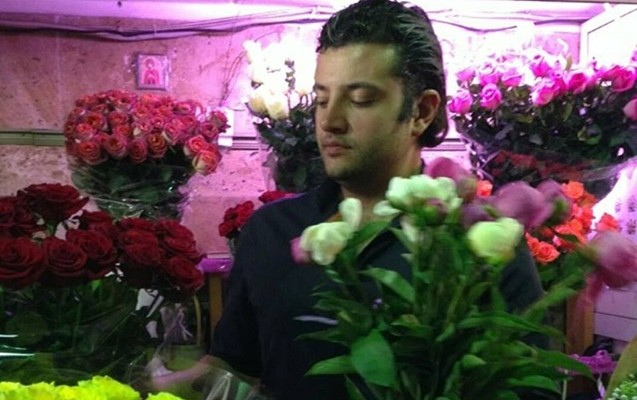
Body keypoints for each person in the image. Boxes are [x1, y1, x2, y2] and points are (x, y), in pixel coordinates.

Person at [152, 0, 546, 399]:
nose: (330, 121)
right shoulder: (271, 231)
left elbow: (532, 389)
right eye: (322, 100)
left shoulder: (479, 243)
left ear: (422, 111)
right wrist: (158, 383)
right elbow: (234, 365)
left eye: (359, 99)